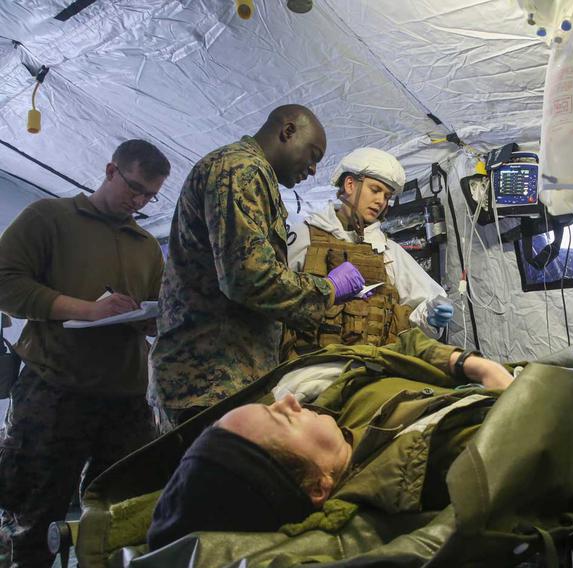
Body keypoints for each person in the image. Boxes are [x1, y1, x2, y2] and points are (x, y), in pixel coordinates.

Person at [147, 328, 512, 550]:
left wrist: (470, 364)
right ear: (319, 486)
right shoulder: (431, 459)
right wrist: (503, 388)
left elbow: (402, 344)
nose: (290, 401)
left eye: (273, 407)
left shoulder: (332, 407)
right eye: (283, 420)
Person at [0, 139, 170, 567]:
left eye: (150, 195)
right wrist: (86, 310)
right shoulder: (49, 218)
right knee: (36, 514)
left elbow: (154, 305)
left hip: (126, 400)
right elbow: (6, 282)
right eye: (134, 188)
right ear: (111, 171)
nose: (139, 201)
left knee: (122, 513)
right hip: (56, 390)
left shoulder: (146, 245)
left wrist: (152, 320)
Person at [149, 105, 368, 429]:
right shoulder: (241, 169)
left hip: (220, 377)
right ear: (288, 131)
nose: (312, 170)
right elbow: (249, 277)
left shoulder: (248, 174)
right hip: (209, 380)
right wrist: (328, 290)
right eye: (313, 155)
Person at [285, 147, 453, 354]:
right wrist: (325, 289)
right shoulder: (303, 235)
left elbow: (423, 304)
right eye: (375, 190)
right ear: (349, 184)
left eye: (387, 196)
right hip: (309, 368)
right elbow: (271, 295)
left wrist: (431, 316)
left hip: (373, 368)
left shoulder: (388, 251)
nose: (381, 201)